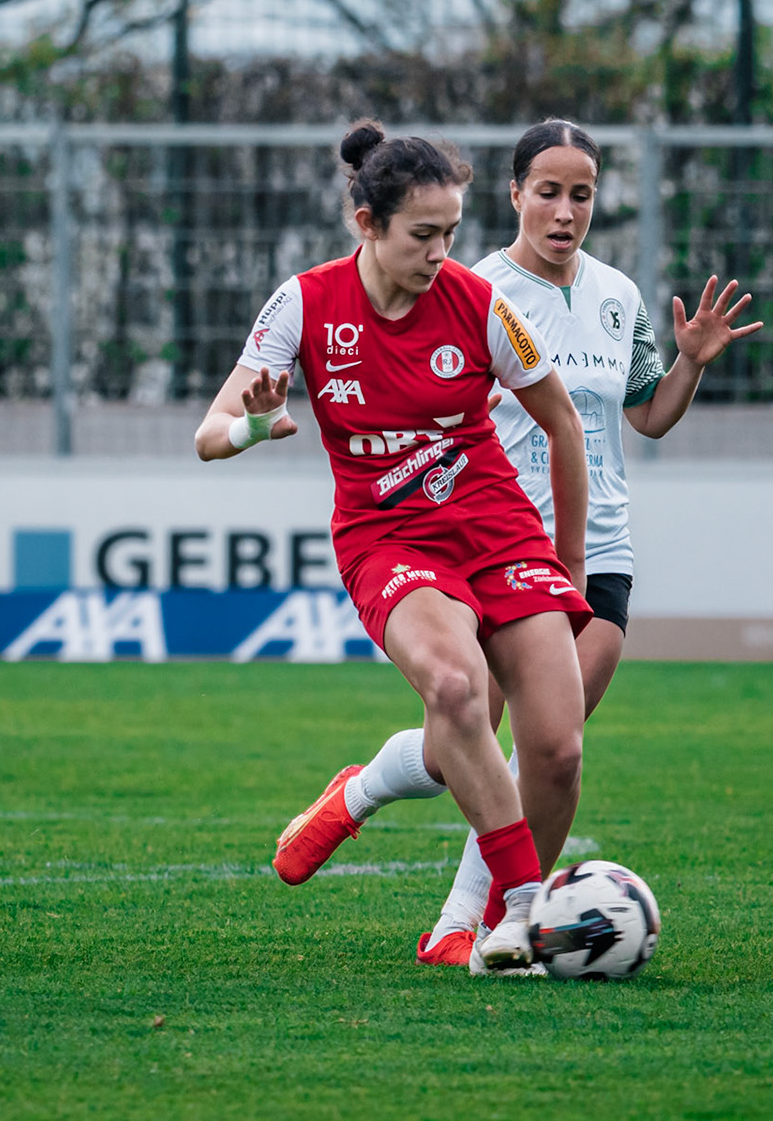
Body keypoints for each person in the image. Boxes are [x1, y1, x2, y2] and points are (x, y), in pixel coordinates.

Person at [194, 120, 594, 974]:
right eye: (423, 235)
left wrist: (570, 562)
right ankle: (521, 909)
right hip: (387, 538)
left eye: (452, 234)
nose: (442, 253)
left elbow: (562, 424)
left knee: (557, 749)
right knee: (457, 688)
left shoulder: (485, 307)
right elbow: (209, 433)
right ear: (366, 223)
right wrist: (257, 426)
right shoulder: (305, 302)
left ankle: (368, 799)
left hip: (495, 524)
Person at [409, 119, 763, 967]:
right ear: (514, 195)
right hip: (493, 544)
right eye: (549, 192)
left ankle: (475, 927)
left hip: (599, 552)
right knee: (461, 742)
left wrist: (690, 365)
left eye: (583, 195)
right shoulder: (468, 289)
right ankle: (370, 795)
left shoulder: (617, 295)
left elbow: (647, 416)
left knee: (551, 751)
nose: (566, 212)